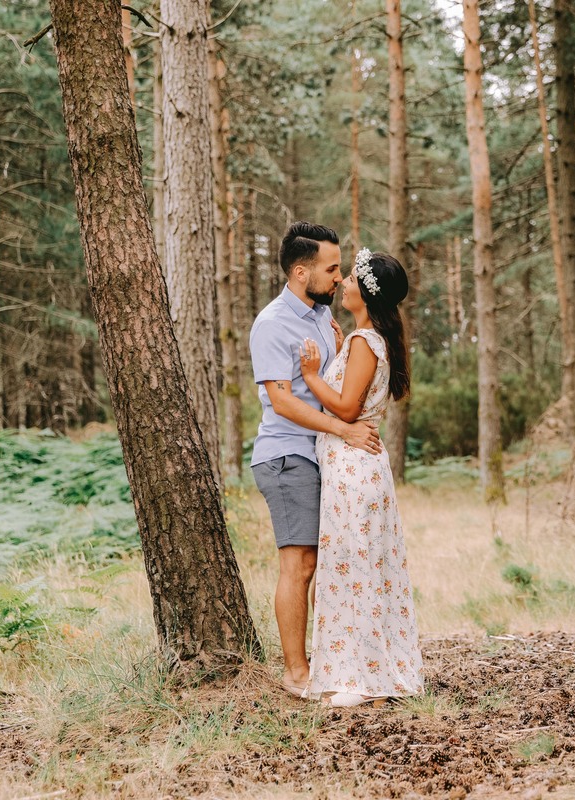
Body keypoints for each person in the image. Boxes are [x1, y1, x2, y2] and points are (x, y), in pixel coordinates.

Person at [249, 222, 383, 699]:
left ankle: (332, 661)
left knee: (324, 563)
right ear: (300, 272)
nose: (339, 275)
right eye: (331, 269)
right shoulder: (271, 324)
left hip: (320, 456)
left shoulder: (320, 318)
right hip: (287, 455)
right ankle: (295, 673)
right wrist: (344, 429)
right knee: (299, 565)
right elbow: (283, 402)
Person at [298, 248, 424, 708]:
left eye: (351, 278)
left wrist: (312, 376)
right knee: (362, 570)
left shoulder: (364, 342)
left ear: (366, 294)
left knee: (354, 571)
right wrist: (337, 347)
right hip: (356, 469)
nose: (343, 283)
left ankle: (361, 679)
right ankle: (367, 670)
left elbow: (348, 407)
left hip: (353, 471)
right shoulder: (365, 340)